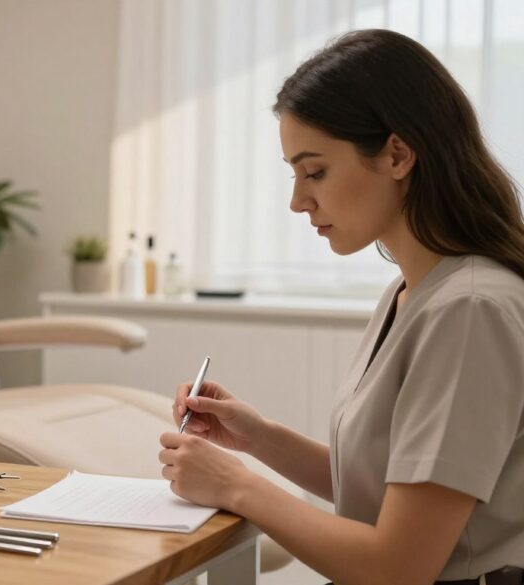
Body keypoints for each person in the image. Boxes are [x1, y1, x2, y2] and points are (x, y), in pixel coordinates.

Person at [159, 29, 524, 585]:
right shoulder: (415, 292)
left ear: (398, 154)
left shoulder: (470, 309)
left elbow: (399, 565)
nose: (297, 200)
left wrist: (235, 483)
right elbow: (391, 486)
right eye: (294, 174)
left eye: (315, 171)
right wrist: (257, 437)